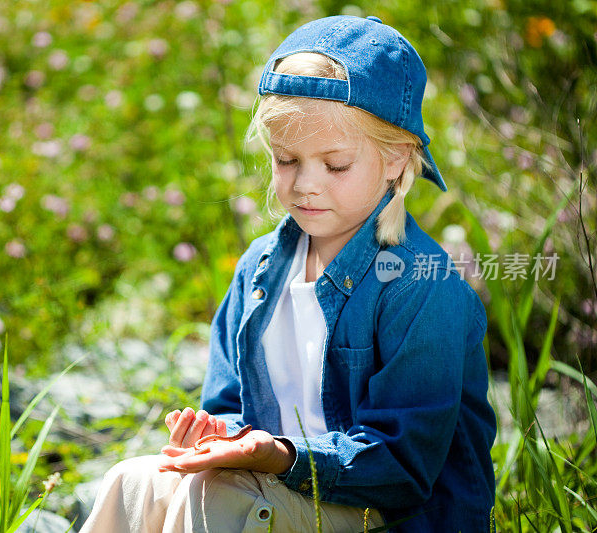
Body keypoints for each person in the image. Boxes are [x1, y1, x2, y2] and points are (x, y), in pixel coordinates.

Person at [79, 14, 496, 533]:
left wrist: (280, 455)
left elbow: (404, 467)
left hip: (384, 511)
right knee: (133, 480)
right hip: (280, 482)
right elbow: (229, 401)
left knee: (216, 500)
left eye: (335, 164)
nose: (305, 185)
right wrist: (216, 435)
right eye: (286, 159)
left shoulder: (419, 283)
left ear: (396, 159)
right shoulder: (260, 267)